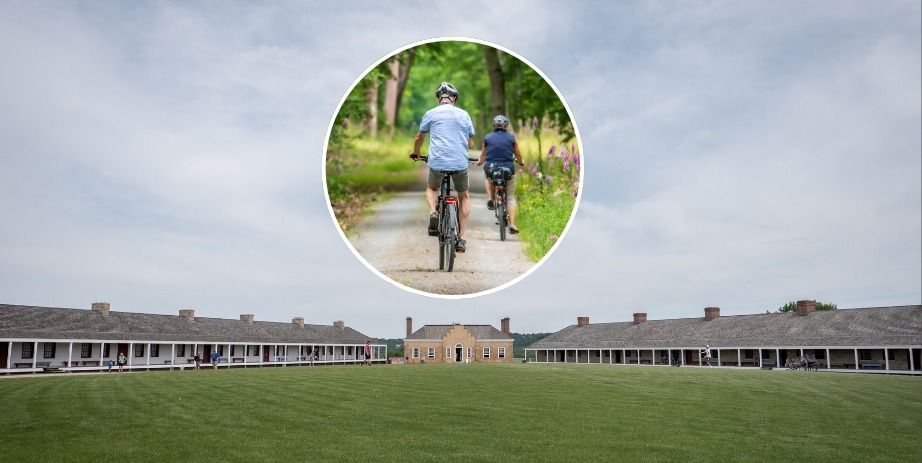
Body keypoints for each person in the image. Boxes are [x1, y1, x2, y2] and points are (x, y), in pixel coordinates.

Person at [410, 82, 475, 252]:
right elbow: (470, 141)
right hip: (459, 163)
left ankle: (433, 212)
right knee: (464, 196)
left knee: (432, 188)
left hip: (437, 161)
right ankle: (461, 238)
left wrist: (416, 152)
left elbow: (419, 137)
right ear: (454, 98)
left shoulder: (430, 113)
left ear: (439, 98)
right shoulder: (464, 114)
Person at [477, 115, 525, 234]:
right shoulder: (511, 138)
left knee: (488, 178)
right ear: (506, 126)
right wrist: (521, 162)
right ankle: (512, 224)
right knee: (510, 197)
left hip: (491, 169)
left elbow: (483, 155)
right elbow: (518, 154)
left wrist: (480, 162)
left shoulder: (487, 138)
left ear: (494, 125)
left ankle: (490, 198)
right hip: (508, 169)